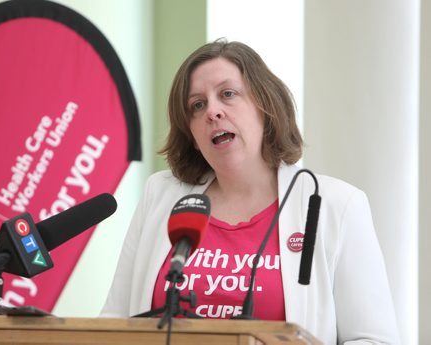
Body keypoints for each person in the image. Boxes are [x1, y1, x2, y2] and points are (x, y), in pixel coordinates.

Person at [100, 39, 400, 344]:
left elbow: (375, 340)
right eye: (197, 105)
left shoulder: (335, 206)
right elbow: (113, 321)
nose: (212, 111)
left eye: (227, 94)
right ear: (191, 134)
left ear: (265, 106)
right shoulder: (161, 196)